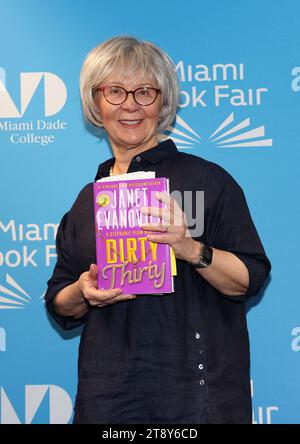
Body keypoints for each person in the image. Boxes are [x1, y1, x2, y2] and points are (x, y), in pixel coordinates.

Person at [45, 36, 271, 424]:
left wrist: (189, 248)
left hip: (197, 401)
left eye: (145, 92)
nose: (129, 104)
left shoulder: (209, 182)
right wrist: (82, 290)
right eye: (115, 91)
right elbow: (58, 302)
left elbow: (249, 280)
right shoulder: (87, 202)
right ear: (95, 103)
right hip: (107, 401)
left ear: (163, 103)